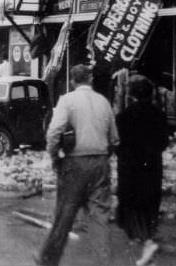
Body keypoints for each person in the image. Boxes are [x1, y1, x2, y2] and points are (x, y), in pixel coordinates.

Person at [34, 64, 119, 266]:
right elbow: (114, 139)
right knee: (99, 217)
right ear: (90, 79)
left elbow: (54, 133)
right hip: (100, 162)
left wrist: (55, 157)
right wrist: (104, 158)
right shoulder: (103, 102)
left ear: (72, 81)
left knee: (65, 213)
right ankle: (103, 262)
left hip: (74, 162)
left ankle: (48, 259)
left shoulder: (67, 100)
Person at [116, 75, 169, 266]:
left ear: (131, 95)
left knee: (132, 203)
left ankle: (144, 242)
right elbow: (164, 142)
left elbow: (117, 143)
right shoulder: (159, 115)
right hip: (151, 166)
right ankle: (148, 237)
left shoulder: (123, 117)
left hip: (130, 168)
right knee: (150, 202)